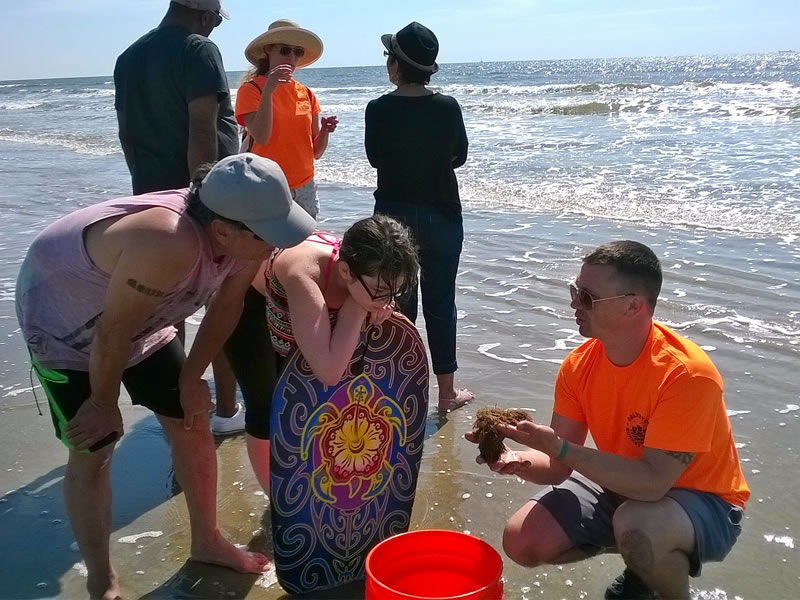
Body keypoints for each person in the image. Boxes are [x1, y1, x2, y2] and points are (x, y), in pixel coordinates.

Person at [15, 154, 316, 600]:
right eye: (268, 234)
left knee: (192, 420)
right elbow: (112, 331)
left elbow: (226, 307)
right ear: (223, 231)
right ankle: (103, 579)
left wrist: (192, 378)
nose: (277, 245)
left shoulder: (242, 238)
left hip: (142, 319)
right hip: (65, 327)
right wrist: (101, 403)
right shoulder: (167, 241)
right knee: (95, 447)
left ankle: (207, 541)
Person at [468, 241, 750, 600]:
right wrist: (514, 459)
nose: (574, 303)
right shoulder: (579, 365)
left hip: (706, 501)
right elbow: (557, 467)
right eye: (575, 291)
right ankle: (644, 567)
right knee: (522, 539)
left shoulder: (686, 375)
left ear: (634, 304)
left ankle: (661, 584)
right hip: (623, 486)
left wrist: (563, 449)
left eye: (587, 296)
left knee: (636, 525)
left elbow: (652, 485)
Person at [113, 0, 242, 435]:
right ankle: (225, 411)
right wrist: (201, 201)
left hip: (151, 200)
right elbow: (202, 128)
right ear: (207, 17)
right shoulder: (198, 49)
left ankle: (176, 409)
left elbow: (127, 135)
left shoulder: (128, 57)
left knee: (170, 311)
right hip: (200, 201)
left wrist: (147, 192)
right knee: (220, 304)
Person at [223, 215, 418, 493]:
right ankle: (277, 501)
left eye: (394, 291)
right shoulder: (305, 274)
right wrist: (358, 306)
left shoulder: (368, 270)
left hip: (310, 305)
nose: (387, 302)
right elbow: (329, 372)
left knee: (316, 402)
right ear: (345, 271)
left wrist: (371, 298)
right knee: (265, 406)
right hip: (248, 304)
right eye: (380, 292)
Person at [365, 22, 472, 412]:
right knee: (441, 304)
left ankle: (400, 394)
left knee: (398, 304)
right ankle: (446, 395)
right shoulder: (446, 107)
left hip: (393, 220)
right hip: (442, 215)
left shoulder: (378, 108)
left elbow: (375, 158)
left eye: (388, 58)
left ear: (397, 65)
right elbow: (458, 156)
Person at [235, 19, 337, 220]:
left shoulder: (306, 93)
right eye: (284, 50)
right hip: (266, 183)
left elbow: (316, 153)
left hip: (305, 185)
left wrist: (325, 131)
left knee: (303, 248)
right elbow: (262, 137)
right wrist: (269, 90)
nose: (291, 57)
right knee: (266, 247)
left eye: (297, 52)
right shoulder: (251, 90)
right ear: (268, 51)